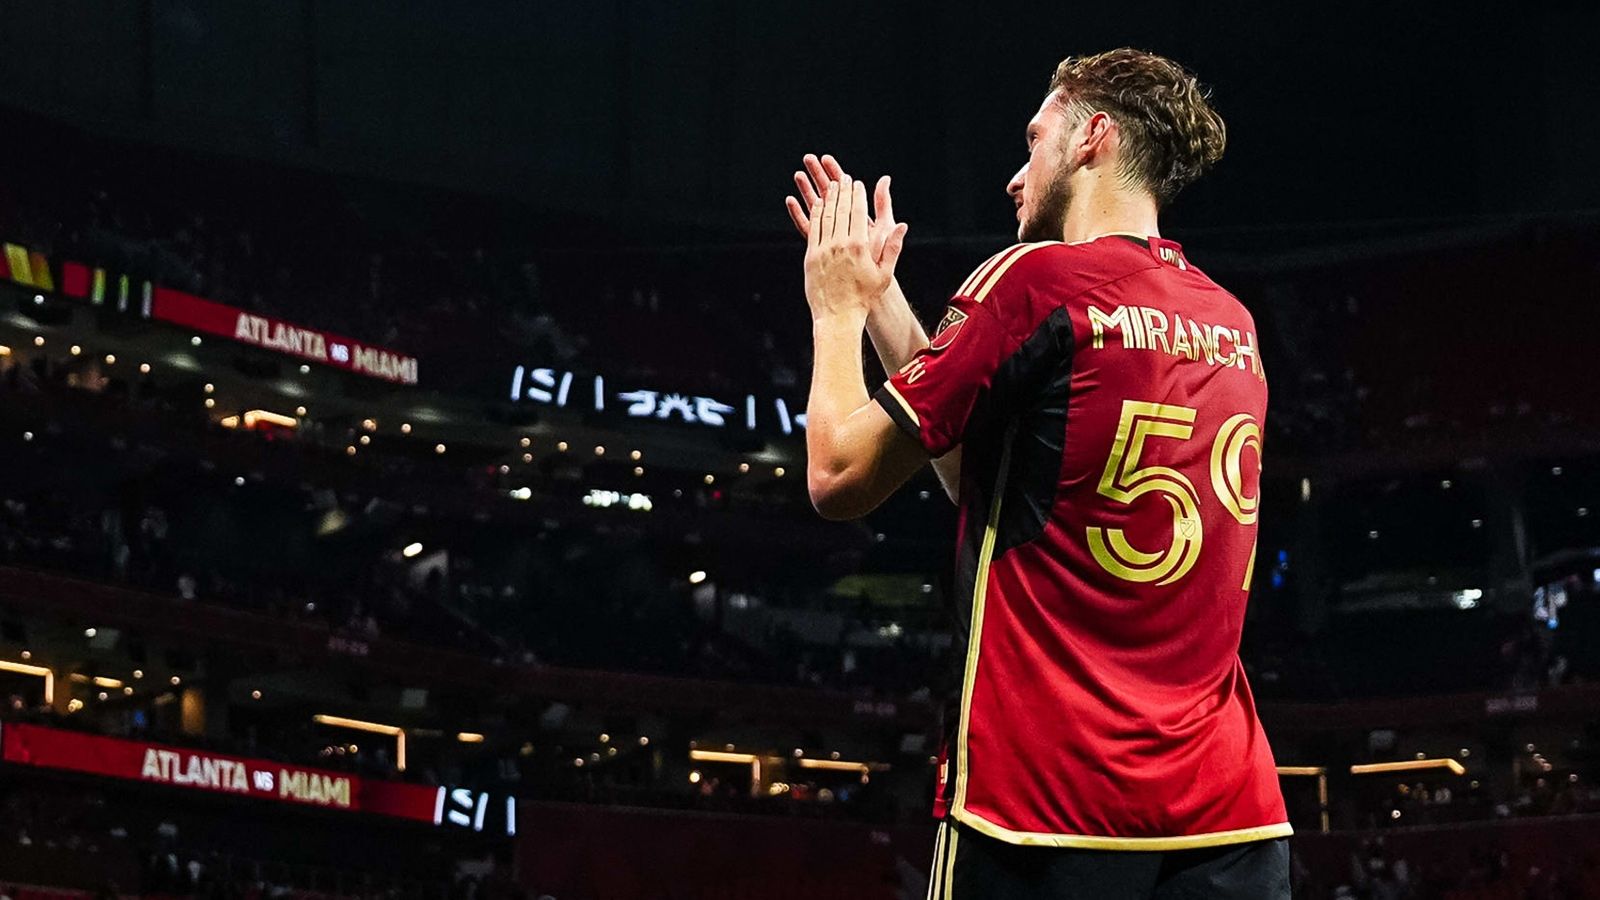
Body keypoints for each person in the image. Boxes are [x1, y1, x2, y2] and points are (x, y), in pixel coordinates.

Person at [787, 48, 1289, 898]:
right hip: (1231, 820)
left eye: (1034, 141)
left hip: (1041, 812)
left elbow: (838, 475)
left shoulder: (1036, 281)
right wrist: (883, 301)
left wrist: (835, 310)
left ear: (1093, 137)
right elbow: (988, 477)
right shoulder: (1231, 320)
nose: (1016, 177)